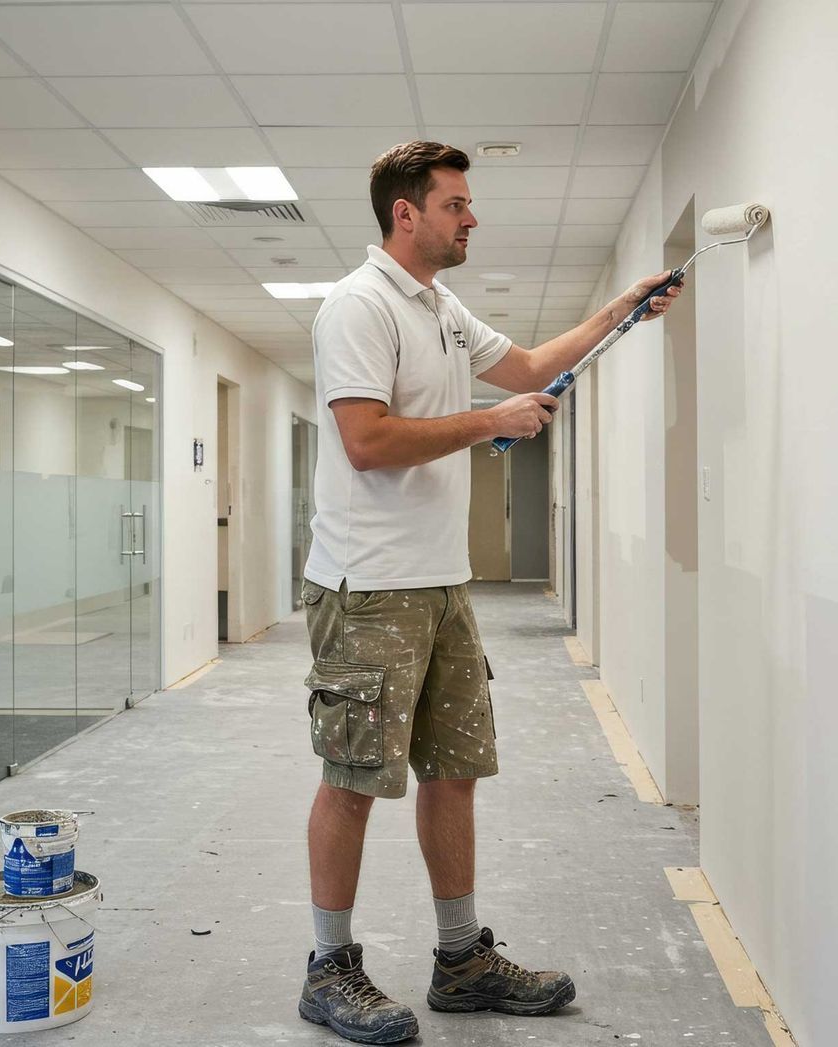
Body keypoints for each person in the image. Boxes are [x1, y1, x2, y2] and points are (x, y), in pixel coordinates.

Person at [296, 140, 682, 1045]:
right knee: (354, 779)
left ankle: (462, 958)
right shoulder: (358, 307)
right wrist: (489, 425)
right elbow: (367, 441)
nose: (471, 218)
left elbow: (532, 366)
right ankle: (328, 968)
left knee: (456, 769)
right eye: (456, 204)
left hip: (440, 583)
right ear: (407, 212)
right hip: (368, 588)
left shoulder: (439, 306)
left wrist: (623, 311)